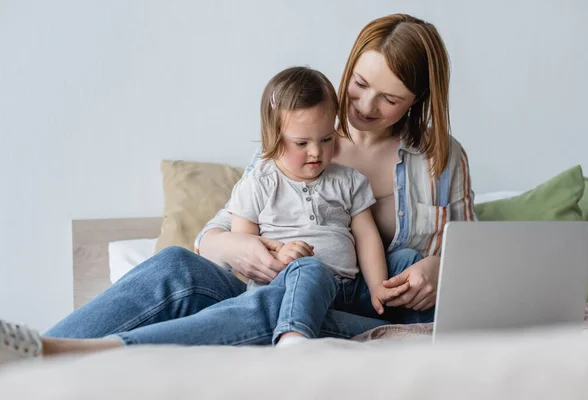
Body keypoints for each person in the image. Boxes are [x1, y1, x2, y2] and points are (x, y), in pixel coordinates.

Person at [0, 13, 475, 364]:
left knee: (291, 293)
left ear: (419, 100)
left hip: (365, 308)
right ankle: (25, 352)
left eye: (390, 98)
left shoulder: (441, 157)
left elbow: (479, 259)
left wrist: (440, 267)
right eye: (358, 84)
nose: (366, 106)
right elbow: (215, 234)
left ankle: (78, 353)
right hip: (276, 278)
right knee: (174, 265)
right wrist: (244, 246)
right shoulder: (291, 133)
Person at [228, 66, 410, 346]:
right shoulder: (259, 184)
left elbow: (366, 236)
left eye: (326, 139)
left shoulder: (348, 180)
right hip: (289, 290)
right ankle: (294, 338)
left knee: (408, 259)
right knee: (309, 269)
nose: (316, 151)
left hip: (347, 291)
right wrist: (279, 258)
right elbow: (243, 250)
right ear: (273, 136)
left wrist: (376, 287)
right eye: (302, 142)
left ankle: (396, 327)